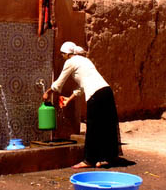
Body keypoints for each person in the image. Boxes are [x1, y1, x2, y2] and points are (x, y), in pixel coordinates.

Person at [43, 41, 120, 169]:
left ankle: (89, 160)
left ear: (67, 54)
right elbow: (82, 87)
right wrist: (69, 99)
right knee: (105, 125)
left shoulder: (70, 62)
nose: (62, 57)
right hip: (106, 92)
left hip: (95, 95)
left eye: (62, 54)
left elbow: (59, 83)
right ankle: (104, 158)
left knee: (93, 127)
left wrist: (47, 92)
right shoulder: (84, 61)